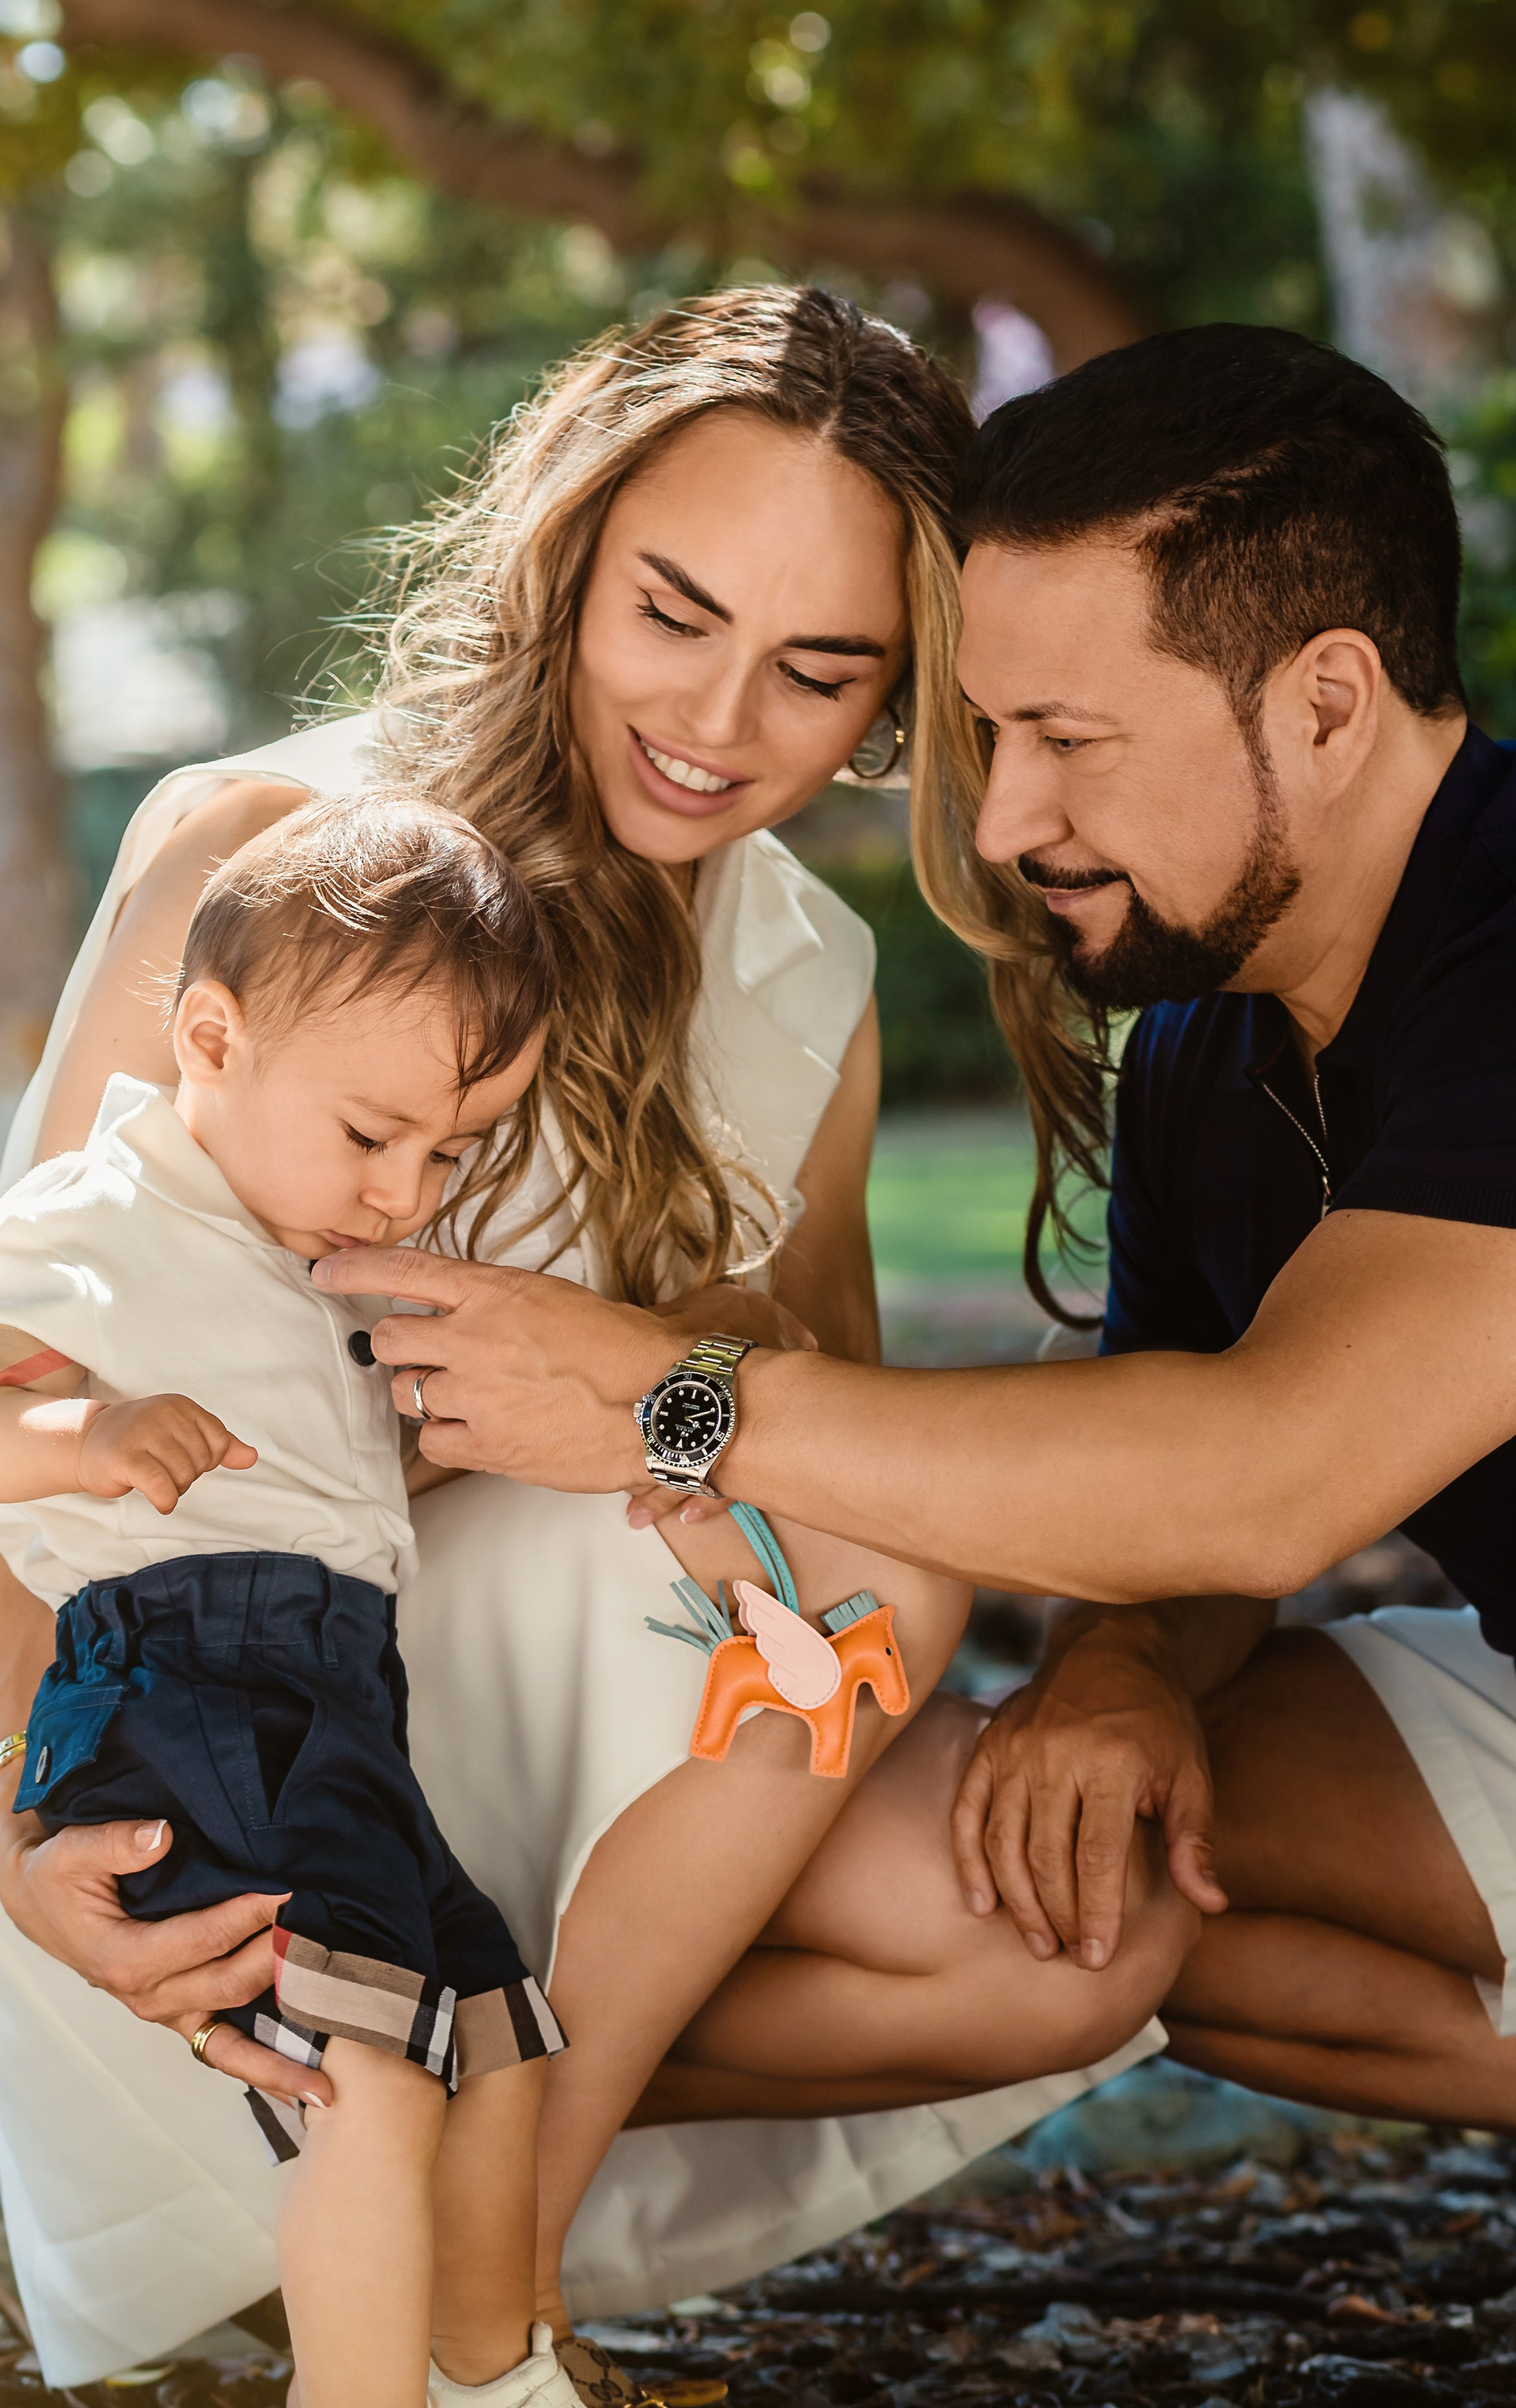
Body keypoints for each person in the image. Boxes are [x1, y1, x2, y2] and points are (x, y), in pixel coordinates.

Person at [0, 287, 1182, 2393]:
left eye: (819, 670)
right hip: (165, 1675)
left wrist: (640, 1391)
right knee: (879, 1552)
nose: (719, 720)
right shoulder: (279, 862)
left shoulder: (814, 978)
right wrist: (31, 1822)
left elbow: (806, 1431)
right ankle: (480, 2309)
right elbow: (21, 1377)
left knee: (1071, 1936)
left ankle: (476, 2218)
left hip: (546, 1683)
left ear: (897, 695)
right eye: (673, 612)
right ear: (568, 555)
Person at [318, 324, 1516, 2134]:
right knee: (1052, 1872)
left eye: (1067, 740)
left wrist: (665, 1395)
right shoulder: (1205, 1052)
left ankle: (424, 2102)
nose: (1011, 816)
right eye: (985, 732)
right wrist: (1118, 1668)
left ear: (1326, 704)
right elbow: (1161, 1487)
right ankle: (404, 2090)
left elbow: (1270, 1475)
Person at [0, 797, 584, 2408]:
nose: (403, 1191)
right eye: (371, 1136)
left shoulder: (294, 1245)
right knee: (368, 2077)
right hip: (190, 1669)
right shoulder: (99, 1214)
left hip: (330, 1688)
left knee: (490, 2038)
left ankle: (490, 2372)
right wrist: (86, 1433)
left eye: (446, 1155)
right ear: (210, 1038)